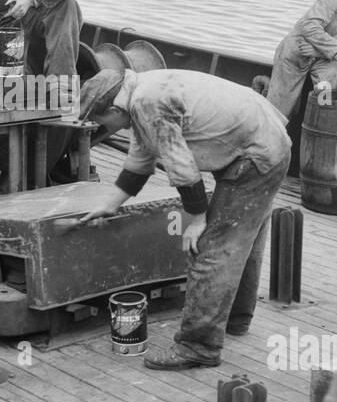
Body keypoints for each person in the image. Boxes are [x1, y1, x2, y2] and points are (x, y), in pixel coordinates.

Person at [73, 68, 291, 370]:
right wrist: (110, 205)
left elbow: (181, 164)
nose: (102, 127)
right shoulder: (141, 90)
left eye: (100, 121)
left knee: (211, 248)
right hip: (267, 140)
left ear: (112, 108)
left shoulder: (148, 103)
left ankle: (198, 346)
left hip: (256, 156)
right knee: (242, 236)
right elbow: (141, 159)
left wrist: (198, 218)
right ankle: (236, 320)